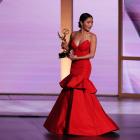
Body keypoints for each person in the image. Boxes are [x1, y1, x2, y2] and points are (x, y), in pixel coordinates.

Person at [43, 13, 120, 136]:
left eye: (92, 22)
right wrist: (64, 48)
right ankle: (67, 124)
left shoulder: (92, 37)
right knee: (71, 91)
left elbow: (92, 55)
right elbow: (68, 52)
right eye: (88, 22)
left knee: (81, 90)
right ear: (81, 22)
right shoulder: (73, 34)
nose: (91, 24)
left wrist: (76, 57)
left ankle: (84, 124)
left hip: (84, 67)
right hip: (74, 67)